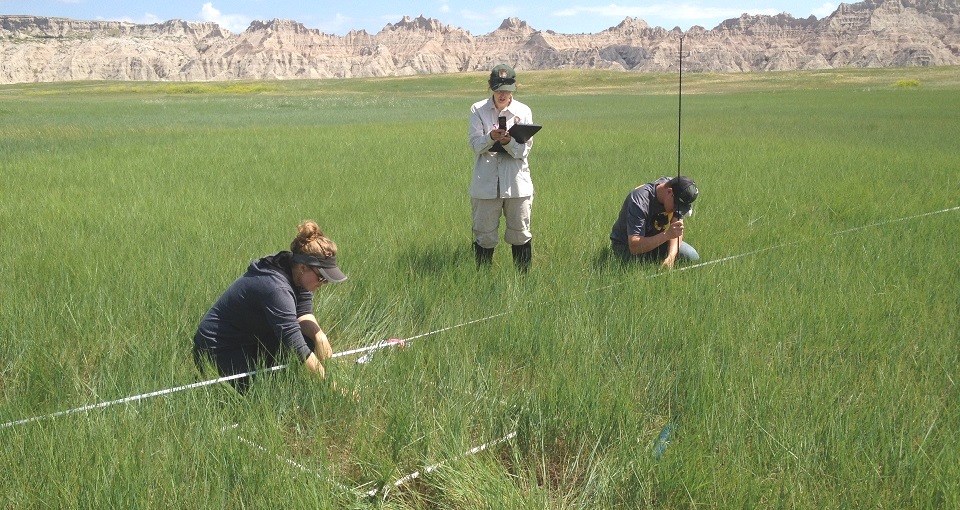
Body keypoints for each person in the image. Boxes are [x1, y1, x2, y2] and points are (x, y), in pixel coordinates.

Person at [193, 220, 347, 392]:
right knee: (258, 397)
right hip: (220, 347)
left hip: (252, 338)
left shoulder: (295, 272)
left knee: (310, 340)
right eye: (321, 277)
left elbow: (303, 313)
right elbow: (294, 343)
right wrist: (334, 388)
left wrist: (319, 336)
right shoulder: (276, 289)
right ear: (303, 267)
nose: (323, 283)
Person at [468, 63, 535, 272]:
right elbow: (475, 145)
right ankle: (482, 279)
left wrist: (508, 142)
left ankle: (523, 281)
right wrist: (491, 137)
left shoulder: (523, 111)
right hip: (485, 184)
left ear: (514, 88)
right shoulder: (477, 109)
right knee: (484, 235)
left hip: (517, 183)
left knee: (520, 232)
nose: (502, 94)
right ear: (490, 87)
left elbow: (524, 150)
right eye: (498, 89)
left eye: (507, 89)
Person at [610, 176, 700, 269]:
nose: (676, 210)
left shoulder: (677, 190)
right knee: (639, 269)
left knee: (691, 256)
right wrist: (667, 235)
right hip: (626, 246)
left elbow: (676, 230)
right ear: (669, 192)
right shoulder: (639, 201)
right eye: (676, 207)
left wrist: (671, 257)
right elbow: (634, 246)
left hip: (657, 240)